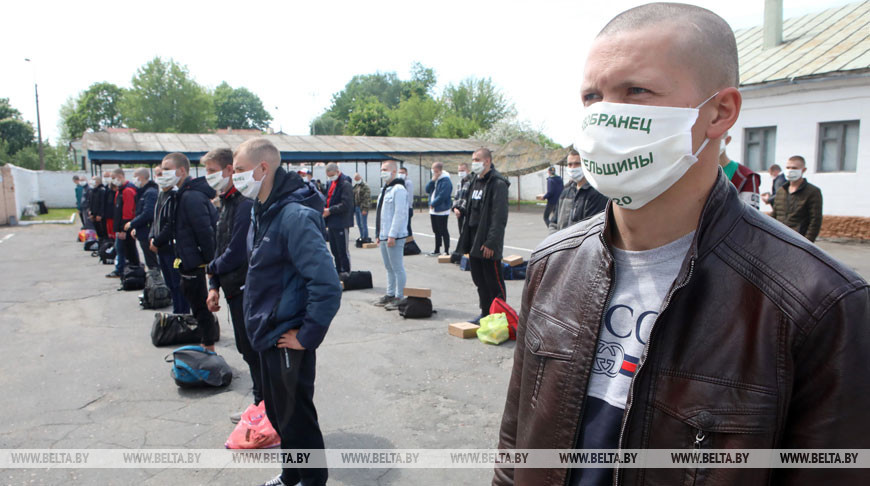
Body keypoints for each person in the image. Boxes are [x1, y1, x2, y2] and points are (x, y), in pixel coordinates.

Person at [494, 4, 870, 486]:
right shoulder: (553, 264)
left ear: (720, 111)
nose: (606, 115)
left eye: (636, 91)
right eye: (593, 96)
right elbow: (515, 451)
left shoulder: (819, 304)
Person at [233, 138, 341, 486]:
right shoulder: (261, 211)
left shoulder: (294, 216)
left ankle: (312, 480)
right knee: (279, 416)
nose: (234, 178)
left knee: (297, 419)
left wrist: (307, 335)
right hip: (267, 334)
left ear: (263, 168)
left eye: (238, 170)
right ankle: (292, 474)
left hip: (286, 336)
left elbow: (327, 284)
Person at [201, 148, 262, 422]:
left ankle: (264, 407)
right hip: (230, 286)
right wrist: (213, 284)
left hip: (246, 288)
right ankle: (260, 404)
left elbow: (237, 251)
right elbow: (218, 246)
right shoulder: (225, 202)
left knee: (253, 350)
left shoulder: (244, 203)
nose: (208, 177)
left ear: (228, 171)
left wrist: (210, 269)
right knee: (246, 348)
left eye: (212, 171)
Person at [166, 152, 218, 351]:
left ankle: (208, 345)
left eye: (167, 169)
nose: (163, 174)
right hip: (187, 258)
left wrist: (210, 263)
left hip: (195, 261)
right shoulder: (180, 194)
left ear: (181, 171)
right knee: (195, 301)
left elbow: (205, 231)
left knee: (200, 304)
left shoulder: (191, 197)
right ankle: (206, 341)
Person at [456, 148, 509, 323]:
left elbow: (498, 216)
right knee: (479, 280)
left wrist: (491, 243)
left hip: (488, 241)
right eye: (473, 159)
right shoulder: (473, 181)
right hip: (473, 238)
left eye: (477, 159)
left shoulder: (497, 183)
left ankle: (499, 316)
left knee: (493, 281)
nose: (474, 163)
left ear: (487, 161)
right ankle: (485, 313)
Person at [149, 166, 189, 314]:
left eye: (162, 174)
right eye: (157, 174)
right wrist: (152, 237)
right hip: (160, 248)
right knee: (170, 284)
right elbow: (155, 220)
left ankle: (182, 314)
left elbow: (170, 224)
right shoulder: (161, 195)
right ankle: (176, 312)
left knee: (178, 284)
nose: (160, 177)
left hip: (171, 248)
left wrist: (157, 241)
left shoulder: (174, 196)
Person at [373, 160, 409, 311]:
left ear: (394, 172)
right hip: (383, 234)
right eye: (381, 169)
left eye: (385, 169)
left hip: (394, 235)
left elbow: (399, 214)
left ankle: (399, 296)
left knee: (397, 267)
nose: (382, 172)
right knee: (388, 267)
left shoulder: (399, 189)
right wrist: (378, 233)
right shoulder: (385, 189)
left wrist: (392, 235)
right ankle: (390, 294)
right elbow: (381, 214)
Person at [548, 149, 608, 233]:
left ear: (586, 164)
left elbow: (591, 229)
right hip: (560, 243)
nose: (573, 168)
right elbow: (554, 222)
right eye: (570, 164)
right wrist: (554, 240)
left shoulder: (596, 193)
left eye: (577, 164)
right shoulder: (566, 192)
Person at [771, 155, 823, 242]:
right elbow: (774, 215)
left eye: (794, 168)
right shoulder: (781, 191)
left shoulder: (813, 191)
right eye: (788, 167)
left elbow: (815, 221)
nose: (790, 171)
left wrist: (807, 244)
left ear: (803, 170)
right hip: (779, 239)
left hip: (799, 241)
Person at [322, 162, 354, 277]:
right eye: (329, 176)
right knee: (334, 249)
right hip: (331, 222)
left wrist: (330, 210)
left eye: (332, 175)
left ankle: (345, 271)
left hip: (341, 221)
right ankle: (338, 270)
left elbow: (346, 204)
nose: (330, 178)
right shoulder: (332, 184)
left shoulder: (345, 184)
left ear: (337, 171)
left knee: (342, 250)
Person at [126, 168, 159, 270]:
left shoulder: (150, 192)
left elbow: (148, 213)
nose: (134, 180)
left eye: (135, 177)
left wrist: (132, 224)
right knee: (149, 260)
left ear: (141, 177)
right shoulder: (143, 192)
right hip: (143, 230)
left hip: (147, 231)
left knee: (152, 261)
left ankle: (157, 282)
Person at [110, 168, 140, 278]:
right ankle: (125, 269)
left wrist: (123, 229)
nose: (113, 181)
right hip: (120, 226)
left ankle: (125, 269)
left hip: (126, 226)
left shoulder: (128, 191)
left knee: (124, 248)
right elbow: (117, 210)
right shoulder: (119, 191)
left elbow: (128, 211)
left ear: (121, 176)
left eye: (114, 178)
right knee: (122, 248)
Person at [719, 132, 760, 209]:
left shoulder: (746, 177)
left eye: (714, 138)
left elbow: (750, 216)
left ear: (727, 140)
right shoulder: (694, 173)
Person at [425, 162, 453, 256]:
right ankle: (437, 249)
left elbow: (443, 195)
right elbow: (427, 190)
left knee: (443, 229)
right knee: (436, 230)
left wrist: (434, 203)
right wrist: (432, 181)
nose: (434, 172)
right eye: (433, 170)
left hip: (442, 209)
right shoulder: (435, 179)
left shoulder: (446, 180)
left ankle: (446, 250)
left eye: (436, 171)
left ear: (441, 170)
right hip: (433, 210)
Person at [452, 162, 473, 237]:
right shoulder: (459, 182)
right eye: (459, 171)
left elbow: (467, 198)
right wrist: (455, 208)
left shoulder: (471, 182)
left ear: (468, 170)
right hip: (459, 211)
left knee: (467, 233)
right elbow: (456, 197)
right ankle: (461, 248)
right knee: (461, 231)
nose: (460, 172)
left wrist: (460, 209)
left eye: (462, 170)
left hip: (466, 211)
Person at [352, 172, 371, 241]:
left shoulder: (365, 186)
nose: (356, 179)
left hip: (362, 207)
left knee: (363, 223)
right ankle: (362, 236)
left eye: (357, 178)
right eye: (355, 178)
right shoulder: (356, 186)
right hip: (356, 207)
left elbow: (367, 198)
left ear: (360, 177)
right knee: (359, 223)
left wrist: (365, 209)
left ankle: (365, 237)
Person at [88, 175, 108, 241]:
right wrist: (90, 212)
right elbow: (91, 202)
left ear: (98, 181)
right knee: (97, 231)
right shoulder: (92, 190)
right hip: (93, 214)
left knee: (103, 231)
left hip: (100, 215)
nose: (92, 181)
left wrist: (100, 214)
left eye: (93, 180)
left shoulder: (102, 190)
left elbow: (103, 203)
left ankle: (104, 243)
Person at [399, 166, 414, 235]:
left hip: (407, 208)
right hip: (400, 208)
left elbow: (409, 197)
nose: (400, 174)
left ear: (406, 174)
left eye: (402, 172)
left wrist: (407, 207)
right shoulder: (398, 182)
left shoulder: (408, 183)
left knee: (407, 226)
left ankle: (410, 243)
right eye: (399, 172)